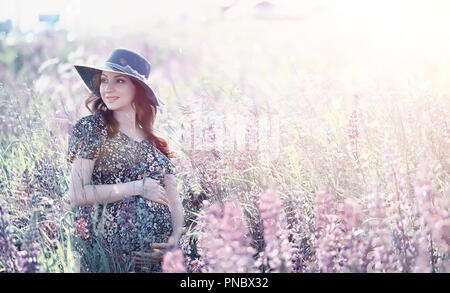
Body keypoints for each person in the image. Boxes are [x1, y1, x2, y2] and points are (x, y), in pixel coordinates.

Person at [66, 48, 184, 273]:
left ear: (137, 89)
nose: (108, 88)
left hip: (156, 262)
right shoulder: (92, 128)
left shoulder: (155, 144)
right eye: (104, 80)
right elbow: (78, 194)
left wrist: (173, 243)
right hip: (109, 259)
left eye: (119, 81)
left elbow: (175, 202)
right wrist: (137, 188)